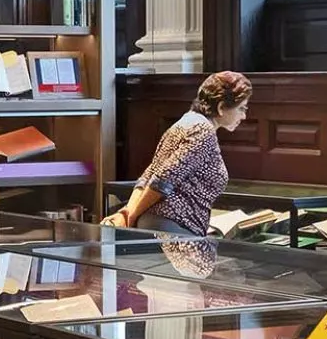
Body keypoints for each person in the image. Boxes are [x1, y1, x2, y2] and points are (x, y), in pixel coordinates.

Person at [104, 71, 251, 236]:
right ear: (221, 107)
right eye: (241, 109)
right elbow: (162, 180)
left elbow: (148, 176)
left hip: (160, 224)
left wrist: (128, 214)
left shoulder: (186, 122)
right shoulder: (203, 131)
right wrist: (130, 217)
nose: (244, 116)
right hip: (173, 227)